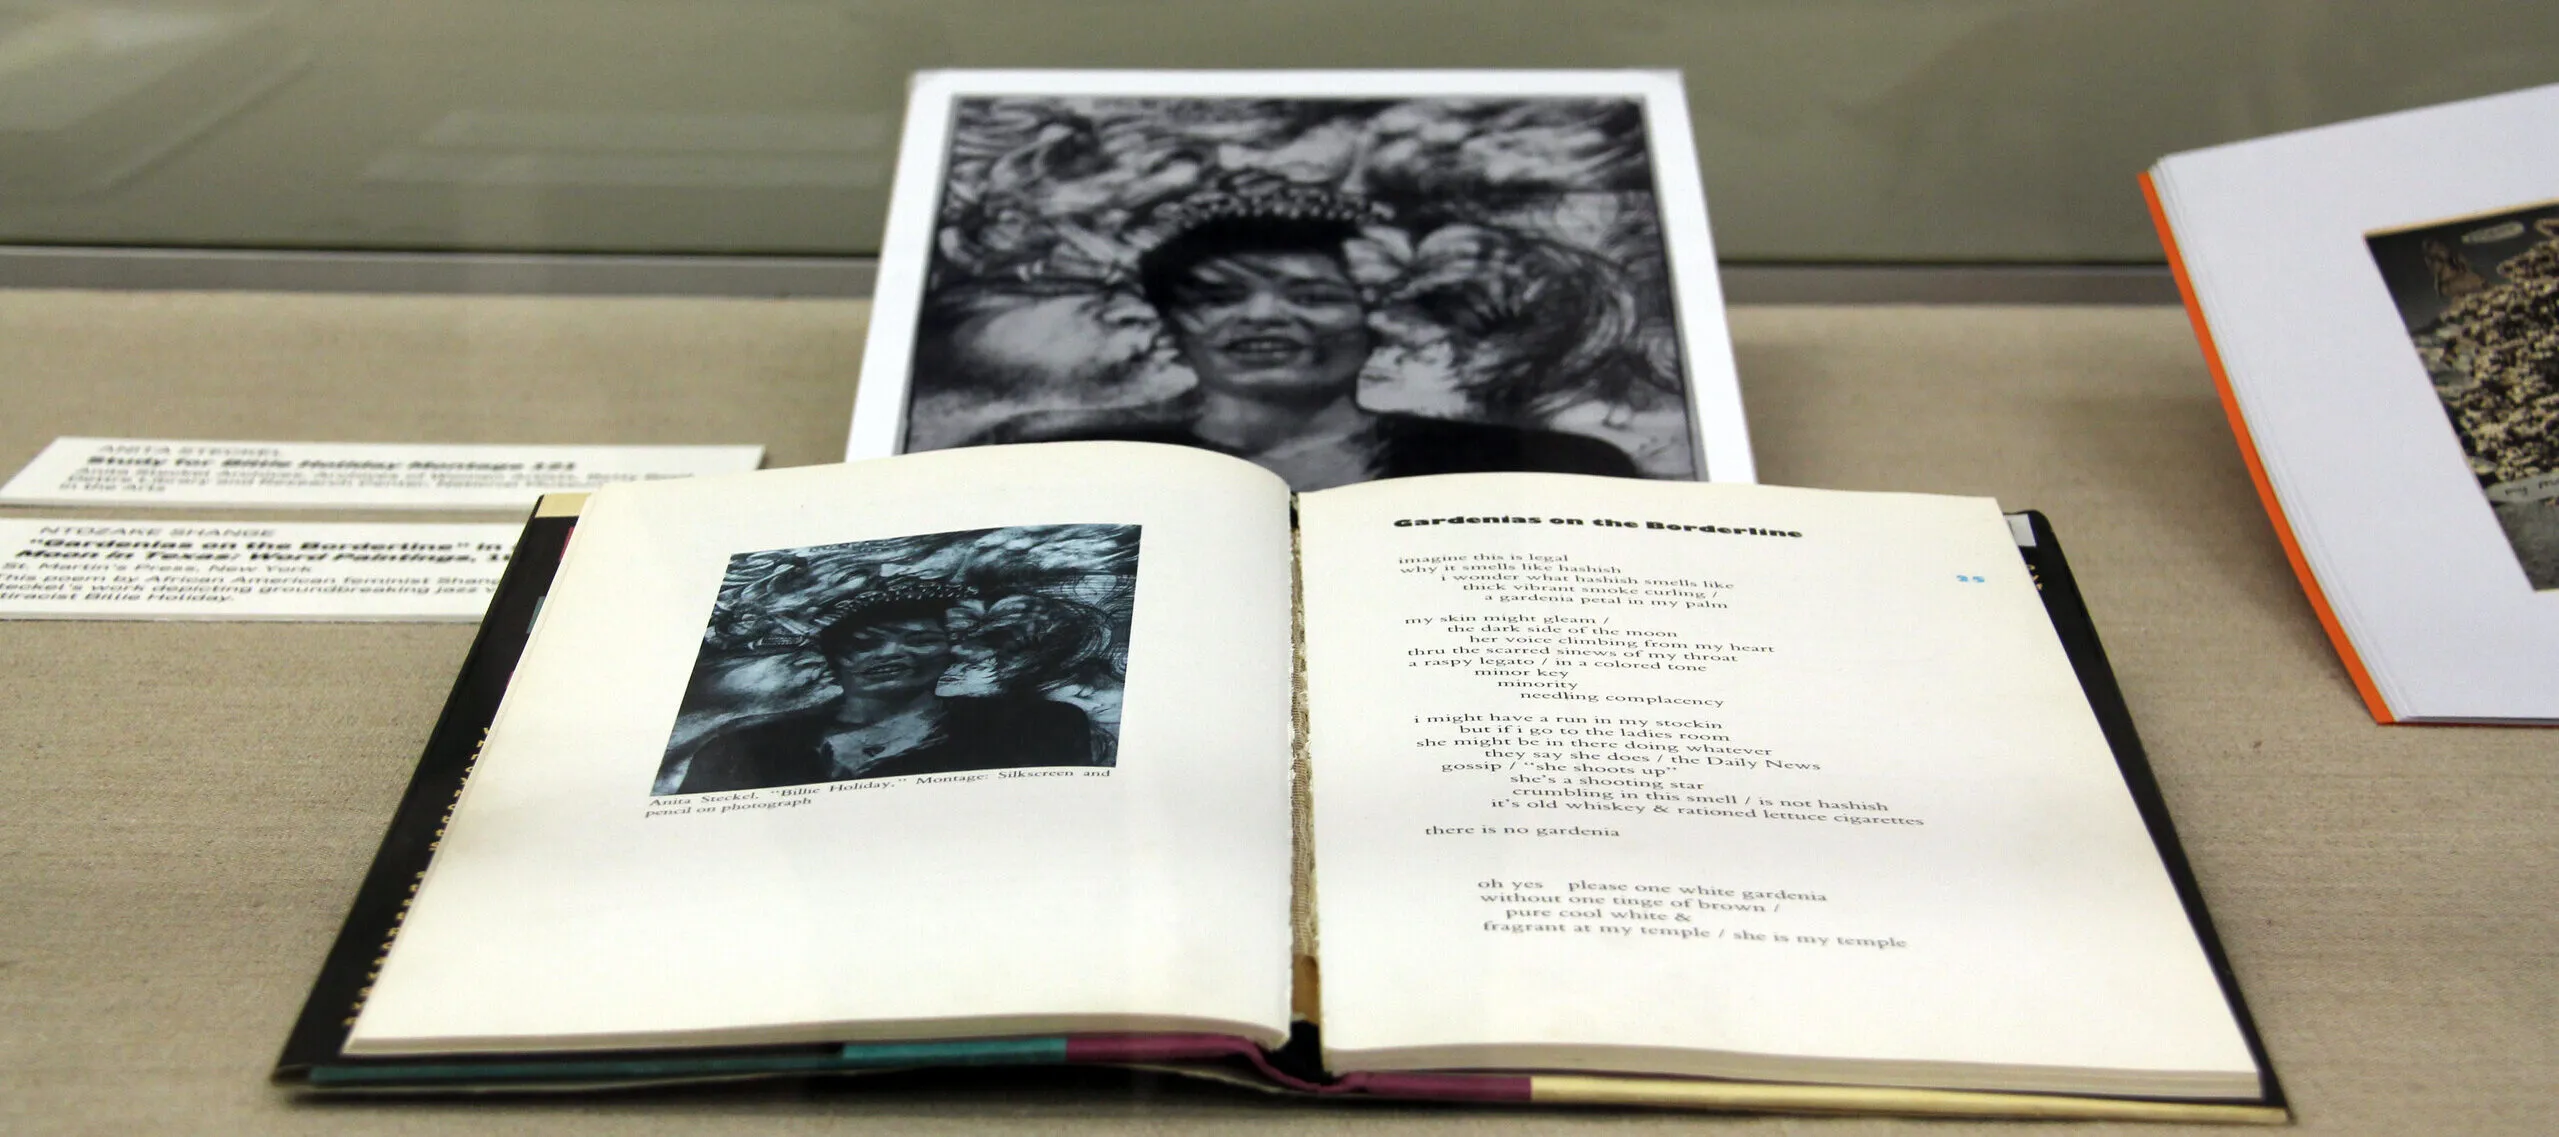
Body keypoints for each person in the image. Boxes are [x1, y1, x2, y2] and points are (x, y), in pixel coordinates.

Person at [966, 184, 1640, 491]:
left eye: (1313, 297)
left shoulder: (1529, 465)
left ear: (1380, 318)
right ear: (1170, 322)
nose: (1263, 318)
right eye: (1221, 297)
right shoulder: (1050, 454)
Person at [670, 581, 1095, 794]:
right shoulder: (746, 747)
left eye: (921, 640)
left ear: (950, 651)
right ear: (834, 657)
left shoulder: (1035, 727)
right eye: (866, 644)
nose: (892, 655)